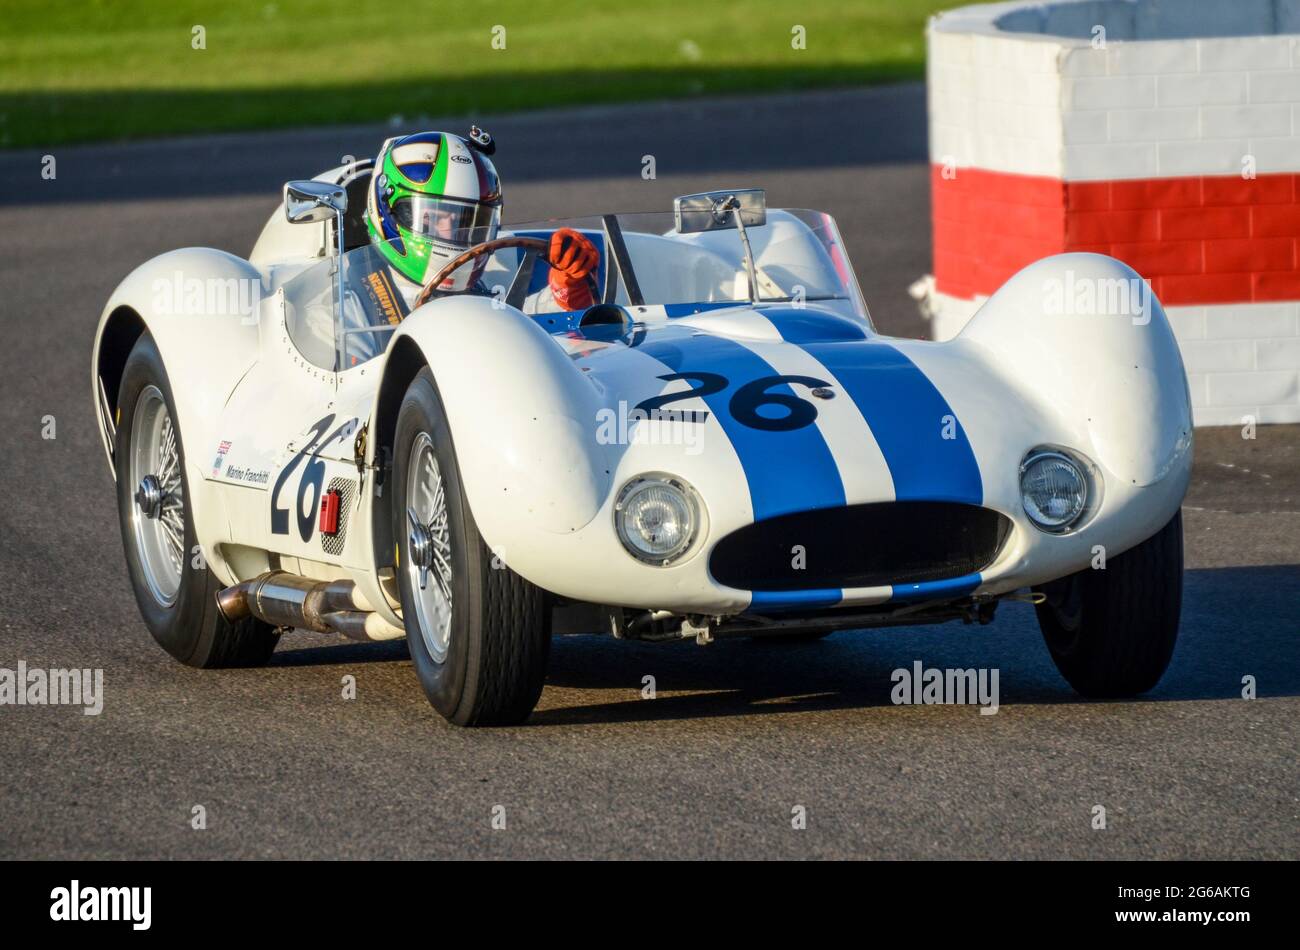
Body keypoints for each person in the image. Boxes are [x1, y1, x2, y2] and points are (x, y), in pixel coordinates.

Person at [363, 128, 599, 311]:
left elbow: (526, 327)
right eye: (434, 219)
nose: (450, 232)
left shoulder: (484, 293)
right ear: (388, 210)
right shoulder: (349, 309)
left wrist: (567, 289)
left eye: (466, 222)